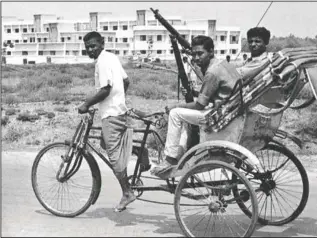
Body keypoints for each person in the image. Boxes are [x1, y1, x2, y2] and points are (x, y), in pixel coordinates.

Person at [78, 31, 149, 212]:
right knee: (105, 141)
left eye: (93, 46)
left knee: (113, 156)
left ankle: (127, 192)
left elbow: (105, 89)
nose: (90, 50)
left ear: (102, 44)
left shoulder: (102, 62)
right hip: (119, 110)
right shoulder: (111, 57)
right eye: (87, 47)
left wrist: (87, 104)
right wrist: (118, 100)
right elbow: (125, 81)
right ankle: (140, 151)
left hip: (111, 115)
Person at [151, 35, 240, 179]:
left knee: (175, 113)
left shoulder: (212, 72)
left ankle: (170, 158)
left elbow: (200, 105)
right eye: (194, 54)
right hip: (230, 109)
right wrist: (195, 93)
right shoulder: (223, 64)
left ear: (211, 52)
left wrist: (175, 105)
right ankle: (181, 153)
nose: (197, 58)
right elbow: (214, 92)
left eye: (200, 53)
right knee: (184, 117)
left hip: (220, 114)